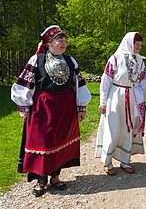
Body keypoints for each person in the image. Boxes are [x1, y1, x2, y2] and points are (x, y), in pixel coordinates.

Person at [11, 25, 91, 197]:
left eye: (65, 40)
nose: (64, 43)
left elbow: (79, 84)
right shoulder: (37, 60)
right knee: (43, 142)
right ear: (48, 42)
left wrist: (81, 106)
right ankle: (41, 180)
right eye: (59, 40)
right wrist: (24, 107)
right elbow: (25, 84)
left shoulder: (71, 61)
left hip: (66, 108)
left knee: (60, 140)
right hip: (43, 107)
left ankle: (55, 177)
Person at [95, 32, 146, 176]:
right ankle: (107, 161)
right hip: (116, 96)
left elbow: (143, 81)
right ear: (129, 42)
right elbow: (105, 81)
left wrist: (141, 100)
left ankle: (125, 160)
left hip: (133, 97)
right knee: (113, 129)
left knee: (129, 128)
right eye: (136, 44)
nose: (138, 47)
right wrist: (103, 102)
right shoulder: (115, 59)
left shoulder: (140, 60)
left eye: (140, 45)